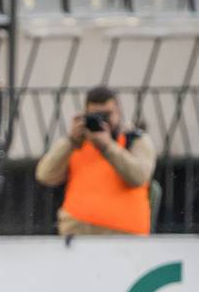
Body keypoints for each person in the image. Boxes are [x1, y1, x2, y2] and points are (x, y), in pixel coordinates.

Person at [35, 86, 157, 235]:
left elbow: (138, 177)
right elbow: (45, 175)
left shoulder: (134, 140)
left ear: (118, 112)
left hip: (125, 235)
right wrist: (70, 141)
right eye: (96, 115)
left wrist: (107, 147)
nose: (103, 121)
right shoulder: (77, 143)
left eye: (107, 115)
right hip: (78, 232)